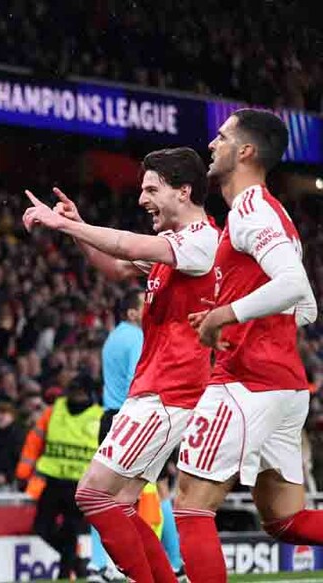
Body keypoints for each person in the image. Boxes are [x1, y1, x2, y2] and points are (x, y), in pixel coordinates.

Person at [24, 147, 217, 582]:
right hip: (159, 391)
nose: (142, 199)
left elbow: (127, 243)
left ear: (183, 191)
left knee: (93, 495)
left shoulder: (200, 240)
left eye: (152, 189)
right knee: (121, 503)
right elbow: (116, 266)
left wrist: (67, 223)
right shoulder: (176, 248)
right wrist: (77, 229)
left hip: (166, 393)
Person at [177, 109, 319, 582]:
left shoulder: (251, 208)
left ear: (246, 151)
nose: (211, 144)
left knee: (191, 505)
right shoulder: (275, 215)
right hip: (284, 385)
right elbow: (306, 308)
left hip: (247, 381)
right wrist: (245, 315)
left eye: (222, 137)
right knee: (286, 520)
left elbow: (295, 285)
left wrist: (225, 315)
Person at [15, 374, 103, 580]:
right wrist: (23, 474)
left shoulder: (99, 416)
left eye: (79, 391)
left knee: (71, 529)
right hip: (52, 480)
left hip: (80, 484)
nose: (75, 395)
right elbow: (34, 442)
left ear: (88, 393)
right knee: (41, 527)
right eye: (73, 390)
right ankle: (76, 562)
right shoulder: (54, 411)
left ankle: (64, 573)